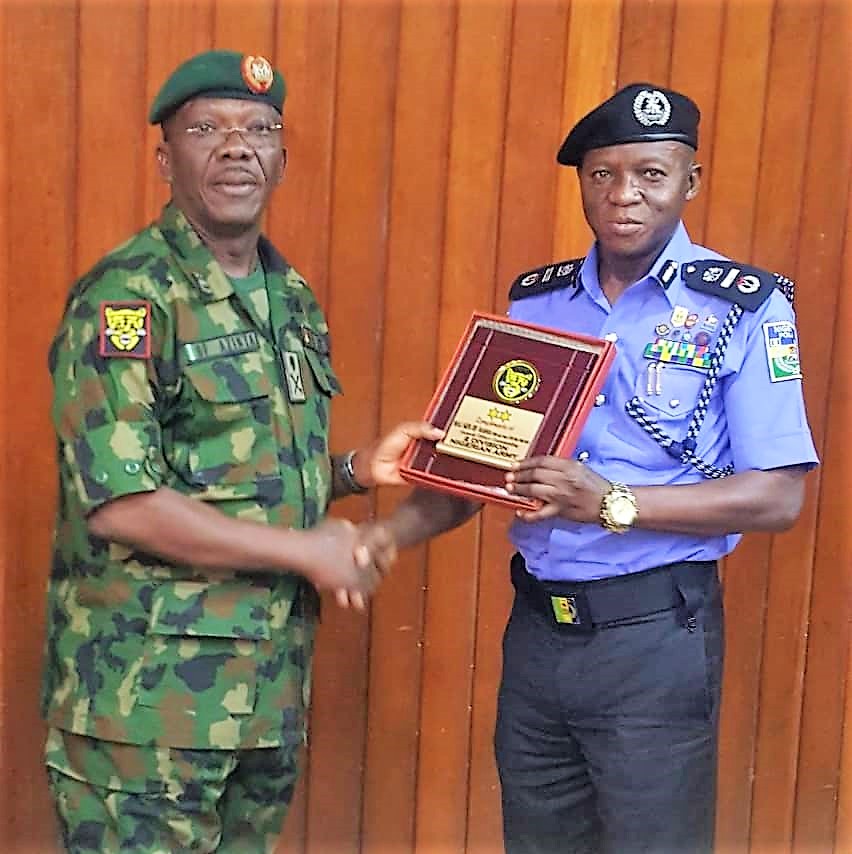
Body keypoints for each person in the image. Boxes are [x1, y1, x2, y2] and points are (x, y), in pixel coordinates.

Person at [359, 83, 818, 853]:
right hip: (539, 631)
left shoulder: (744, 307)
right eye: (603, 176)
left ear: (690, 182)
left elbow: (778, 497)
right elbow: (483, 465)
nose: (625, 195)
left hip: (655, 634)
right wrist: (389, 536)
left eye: (650, 174)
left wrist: (615, 504)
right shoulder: (538, 303)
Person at [42, 49, 439, 854]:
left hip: (261, 700)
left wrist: (359, 473)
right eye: (207, 129)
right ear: (166, 159)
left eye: (259, 129)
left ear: (282, 160)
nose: (236, 146)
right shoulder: (127, 296)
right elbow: (123, 503)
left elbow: (242, 479)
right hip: (145, 710)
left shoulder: (287, 296)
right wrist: (310, 554)